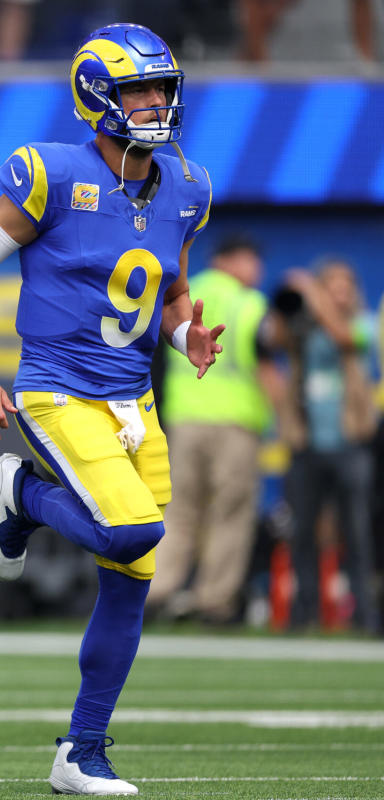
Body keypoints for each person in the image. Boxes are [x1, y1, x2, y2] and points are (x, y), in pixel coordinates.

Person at [0, 23, 223, 794]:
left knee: (130, 570)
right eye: (138, 88)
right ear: (96, 93)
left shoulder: (187, 186)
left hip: (133, 399)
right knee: (135, 526)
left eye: (162, 88)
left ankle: (82, 751)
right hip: (58, 388)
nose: (155, 102)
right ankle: (23, 494)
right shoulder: (52, 174)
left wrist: (184, 333)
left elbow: (165, 289)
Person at [149, 235, 274, 624]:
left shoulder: (186, 291)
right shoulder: (249, 302)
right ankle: (213, 601)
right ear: (233, 260)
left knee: (178, 511)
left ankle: (157, 592)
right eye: (253, 259)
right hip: (234, 424)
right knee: (229, 514)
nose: (257, 269)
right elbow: (265, 356)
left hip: (184, 419)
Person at [266, 262, 379, 633]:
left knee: (357, 533)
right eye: (331, 286)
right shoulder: (303, 327)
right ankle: (304, 614)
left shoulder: (362, 324)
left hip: (351, 444)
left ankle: (365, 615)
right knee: (302, 534)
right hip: (306, 445)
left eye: (345, 287)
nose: (338, 294)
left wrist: (313, 294)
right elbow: (270, 340)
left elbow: (345, 338)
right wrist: (286, 302)